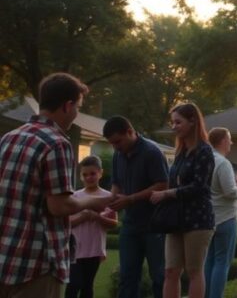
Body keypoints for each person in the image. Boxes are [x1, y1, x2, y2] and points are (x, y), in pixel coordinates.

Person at [0, 73, 111, 298]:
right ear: (67, 106)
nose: (77, 113)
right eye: (78, 107)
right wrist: (96, 201)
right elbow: (59, 206)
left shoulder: (8, 138)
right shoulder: (57, 143)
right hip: (35, 262)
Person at [150, 103, 215, 298]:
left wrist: (168, 194)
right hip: (175, 218)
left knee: (194, 271)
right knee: (171, 271)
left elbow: (200, 186)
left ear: (193, 121)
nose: (174, 126)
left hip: (198, 218)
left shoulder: (204, 151)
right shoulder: (180, 152)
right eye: (173, 123)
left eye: (178, 122)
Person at [104, 115, 169, 298]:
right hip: (130, 225)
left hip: (154, 224)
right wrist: (112, 198)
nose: (115, 146)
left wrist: (130, 199)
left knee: (160, 276)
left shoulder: (151, 152)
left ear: (130, 132)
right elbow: (117, 182)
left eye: (118, 141)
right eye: (112, 143)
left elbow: (162, 184)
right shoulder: (118, 155)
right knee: (127, 276)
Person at [204, 128, 237, 298]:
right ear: (222, 141)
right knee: (223, 261)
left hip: (209, 218)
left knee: (209, 261)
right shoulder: (222, 163)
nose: (231, 143)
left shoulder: (206, 160)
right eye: (229, 139)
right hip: (226, 218)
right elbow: (230, 192)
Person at [66, 155, 118, 298]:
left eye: (93, 174)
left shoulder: (107, 196)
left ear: (100, 173)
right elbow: (67, 223)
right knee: (74, 283)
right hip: (75, 248)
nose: (89, 177)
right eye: (85, 174)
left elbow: (113, 223)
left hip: (94, 248)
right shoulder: (75, 197)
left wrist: (96, 217)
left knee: (87, 285)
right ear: (81, 177)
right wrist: (83, 216)